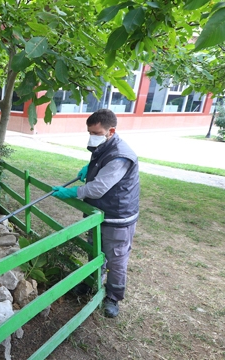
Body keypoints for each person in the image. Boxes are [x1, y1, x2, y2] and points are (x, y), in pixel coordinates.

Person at [51, 109, 140, 318]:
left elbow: (98, 188)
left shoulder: (121, 155)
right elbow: (100, 166)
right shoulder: (104, 145)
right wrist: (89, 168)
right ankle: (92, 282)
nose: (92, 136)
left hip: (117, 216)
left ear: (111, 131)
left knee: (116, 259)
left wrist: (72, 192)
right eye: (89, 132)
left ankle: (113, 297)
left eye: (96, 132)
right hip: (99, 212)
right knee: (95, 250)